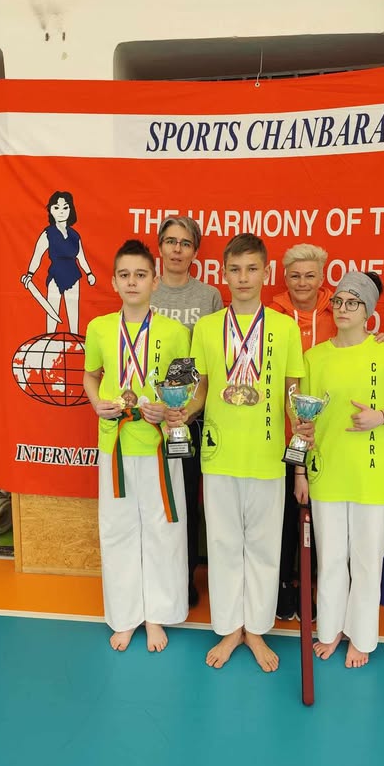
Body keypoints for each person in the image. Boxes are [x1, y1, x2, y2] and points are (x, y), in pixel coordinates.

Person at [166, 232, 309, 672]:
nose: (243, 277)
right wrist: (184, 410)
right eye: (235, 269)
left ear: (265, 273)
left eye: (251, 269)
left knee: (264, 547)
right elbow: (201, 388)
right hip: (219, 453)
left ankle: (257, 629)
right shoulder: (208, 328)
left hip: (266, 456)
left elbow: (292, 392)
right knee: (224, 545)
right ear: (223, 274)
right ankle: (230, 628)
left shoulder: (285, 328)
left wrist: (302, 425)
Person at [296, 272, 384, 668]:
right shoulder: (314, 358)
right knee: (331, 558)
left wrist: (380, 417)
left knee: (366, 561)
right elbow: (303, 419)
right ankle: (330, 630)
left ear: (368, 311)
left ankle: (362, 637)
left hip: (372, 474)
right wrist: (301, 471)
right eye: (339, 301)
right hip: (327, 471)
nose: (343, 309)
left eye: (353, 303)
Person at [83, 238, 190, 654]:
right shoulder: (99, 328)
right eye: (125, 275)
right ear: (113, 281)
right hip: (115, 443)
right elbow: (91, 375)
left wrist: (167, 408)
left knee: (163, 530)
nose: (132, 282)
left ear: (154, 281)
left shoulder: (175, 332)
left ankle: (156, 615)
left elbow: (182, 388)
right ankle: (125, 616)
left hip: (158, 444)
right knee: (118, 530)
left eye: (140, 275)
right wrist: (96, 403)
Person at [151, 215, 223, 606]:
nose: (177, 249)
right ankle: (156, 577)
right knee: (154, 501)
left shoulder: (209, 297)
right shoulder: (145, 289)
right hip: (149, 418)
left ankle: (185, 577)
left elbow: (214, 361)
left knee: (188, 499)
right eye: (171, 241)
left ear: (195, 251)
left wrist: (189, 411)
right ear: (159, 246)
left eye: (185, 243)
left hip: (191, 418)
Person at [270, 243, 334, 620]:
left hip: (326, 435)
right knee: (283, 518)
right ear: (285, 278)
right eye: (295, 275)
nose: (302, 282)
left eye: (310, 275)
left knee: (320, 518)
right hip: (282, 433)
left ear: (322, 277)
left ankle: (313, 588)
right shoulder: (273, 316)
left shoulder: (337, 313)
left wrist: (381, 339)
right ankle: (282, 586)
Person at [21, 190, 96, 334]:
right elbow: (37, 256)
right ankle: (49, 339)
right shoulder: (47, 234)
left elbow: (81, 257)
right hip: (55, 275)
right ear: (50, 210)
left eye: (65, 207)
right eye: (56, 207)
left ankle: (75, 342)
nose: (61, 211)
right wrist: (30, 274)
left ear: (70, 210)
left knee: (73, 313)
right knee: (52, 311)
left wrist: (89, 273)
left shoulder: (74, 235)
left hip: (73, 275)